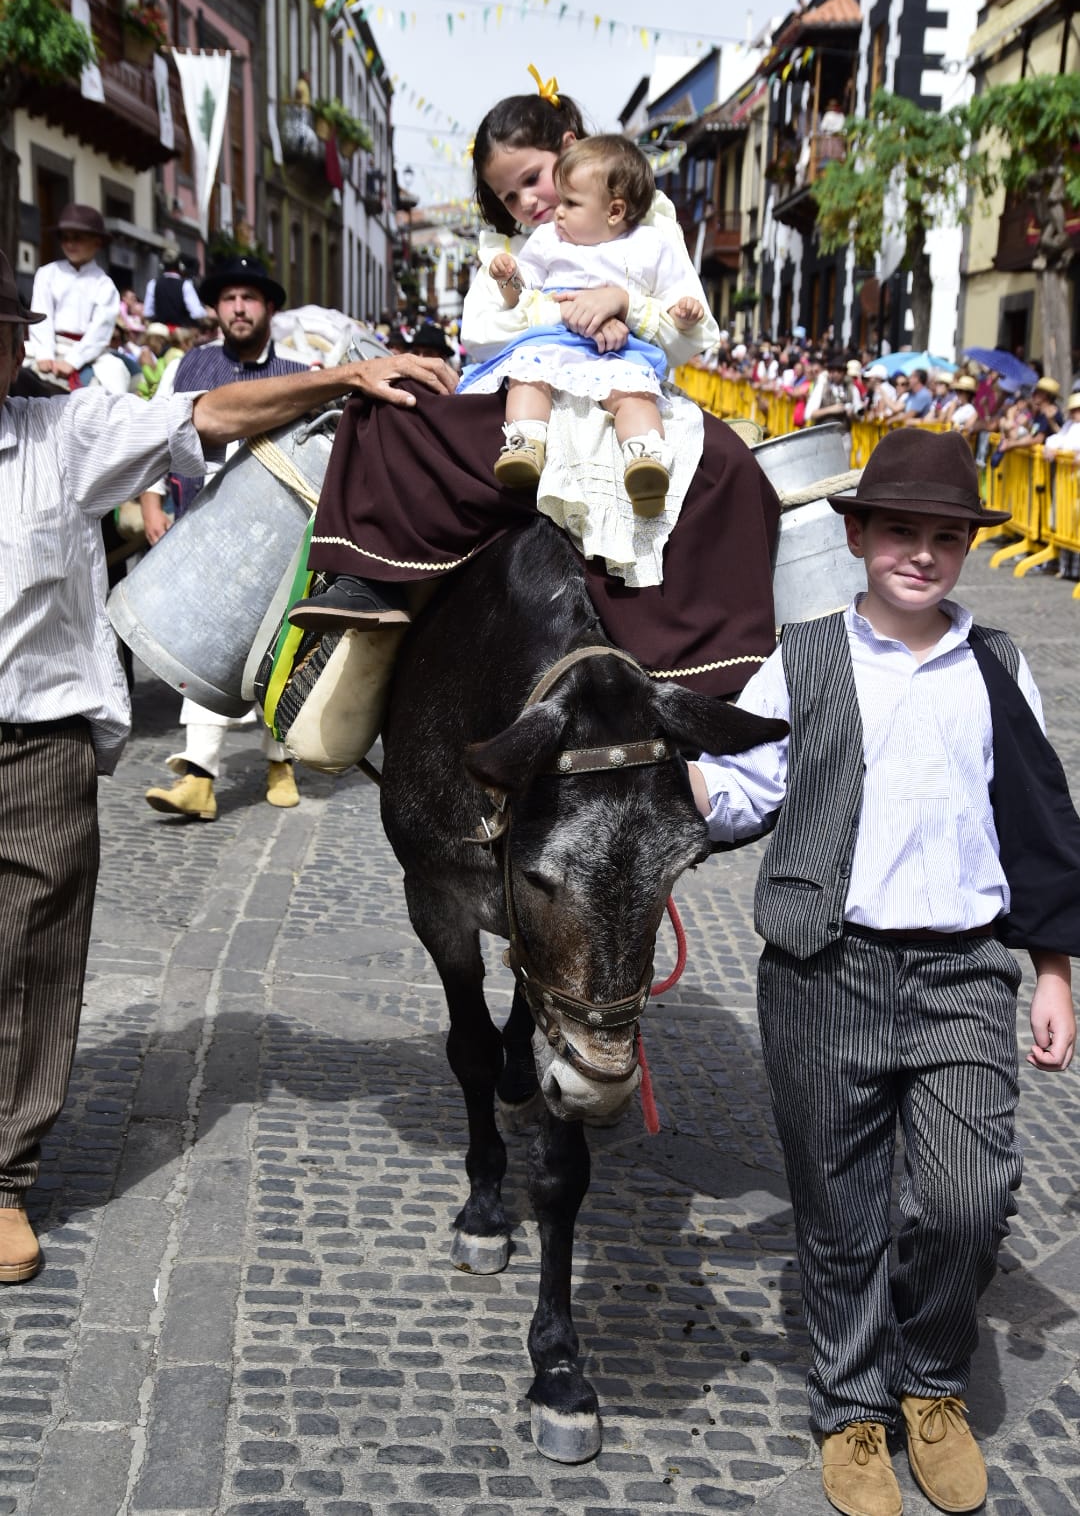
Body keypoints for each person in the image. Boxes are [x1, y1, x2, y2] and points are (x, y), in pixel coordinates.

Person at [0, 247, 457, 1281]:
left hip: (34, 743)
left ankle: (3, 1178)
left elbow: (207, 417)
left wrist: (341, 379)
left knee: (30, 958)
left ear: (12, 347)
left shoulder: (65, 430)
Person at [688, 426, 1076, 1516]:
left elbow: (1039, 824)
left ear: (968, 548)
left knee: (969, 1196)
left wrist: (1052, 972)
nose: (920, 553)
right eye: (898, 530)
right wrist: (670, 773)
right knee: (841, 1207)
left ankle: (932, 1381)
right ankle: (854, 1407)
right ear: (854, 534)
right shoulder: (803, 657)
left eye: (944, 537)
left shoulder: (995, 664)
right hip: (827, 970)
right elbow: (744, 789)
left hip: (962, 973)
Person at [288, 79, 778, 701]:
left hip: (626, 390)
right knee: (387, 411)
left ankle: (714, 669)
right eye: (506, 193)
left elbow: (695, 329)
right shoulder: (508, 246)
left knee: (733, 468)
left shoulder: (652, 226)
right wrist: (570, 312)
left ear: (570, 150)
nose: (524, 201)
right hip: (533, 389)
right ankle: (376, 582)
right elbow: (483, 332)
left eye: (533, 178)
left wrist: (626, 304)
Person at [142, 256, 309, 821]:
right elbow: (152, 434)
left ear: (269, 308)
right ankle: (199, 777)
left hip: (278, 536)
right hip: (201, 529)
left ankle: (280, 758)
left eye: (250, 298)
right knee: (205, 644)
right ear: (216, 309)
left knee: (278, 646)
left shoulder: (298, 372)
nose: (239, 307)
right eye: (229, 298)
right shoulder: (189, 369)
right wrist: (150, 501)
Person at [466, 134, 705, 517]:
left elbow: (674, 294)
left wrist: (680, 309)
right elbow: (522, 290)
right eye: (509, 196)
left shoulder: (649, 242)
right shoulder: (547, 240)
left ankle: (645, 457)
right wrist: (509, 277)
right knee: (528, 375)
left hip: (618, 350)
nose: (555, 211)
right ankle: (526, 440)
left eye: (570, 203)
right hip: (555, 343)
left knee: (634, 393)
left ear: (614, 212)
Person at [26, 205, 120, 390]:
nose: (70, 244)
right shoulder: (47, 273)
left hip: (89, 352)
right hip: (50, 345)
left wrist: (73, 361)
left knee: (115, 378)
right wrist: (45, 353)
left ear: (97, 242)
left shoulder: (104, 284)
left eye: (78, 238)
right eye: (65, 238)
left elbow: (100, 330)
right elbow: (40, 314)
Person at [144, 243, 207, 329]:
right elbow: (197, 313)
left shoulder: (153, 284)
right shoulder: (186, 285)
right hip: (180, 335)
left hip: (160, 335)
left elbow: (148, 313)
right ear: (180, 266)